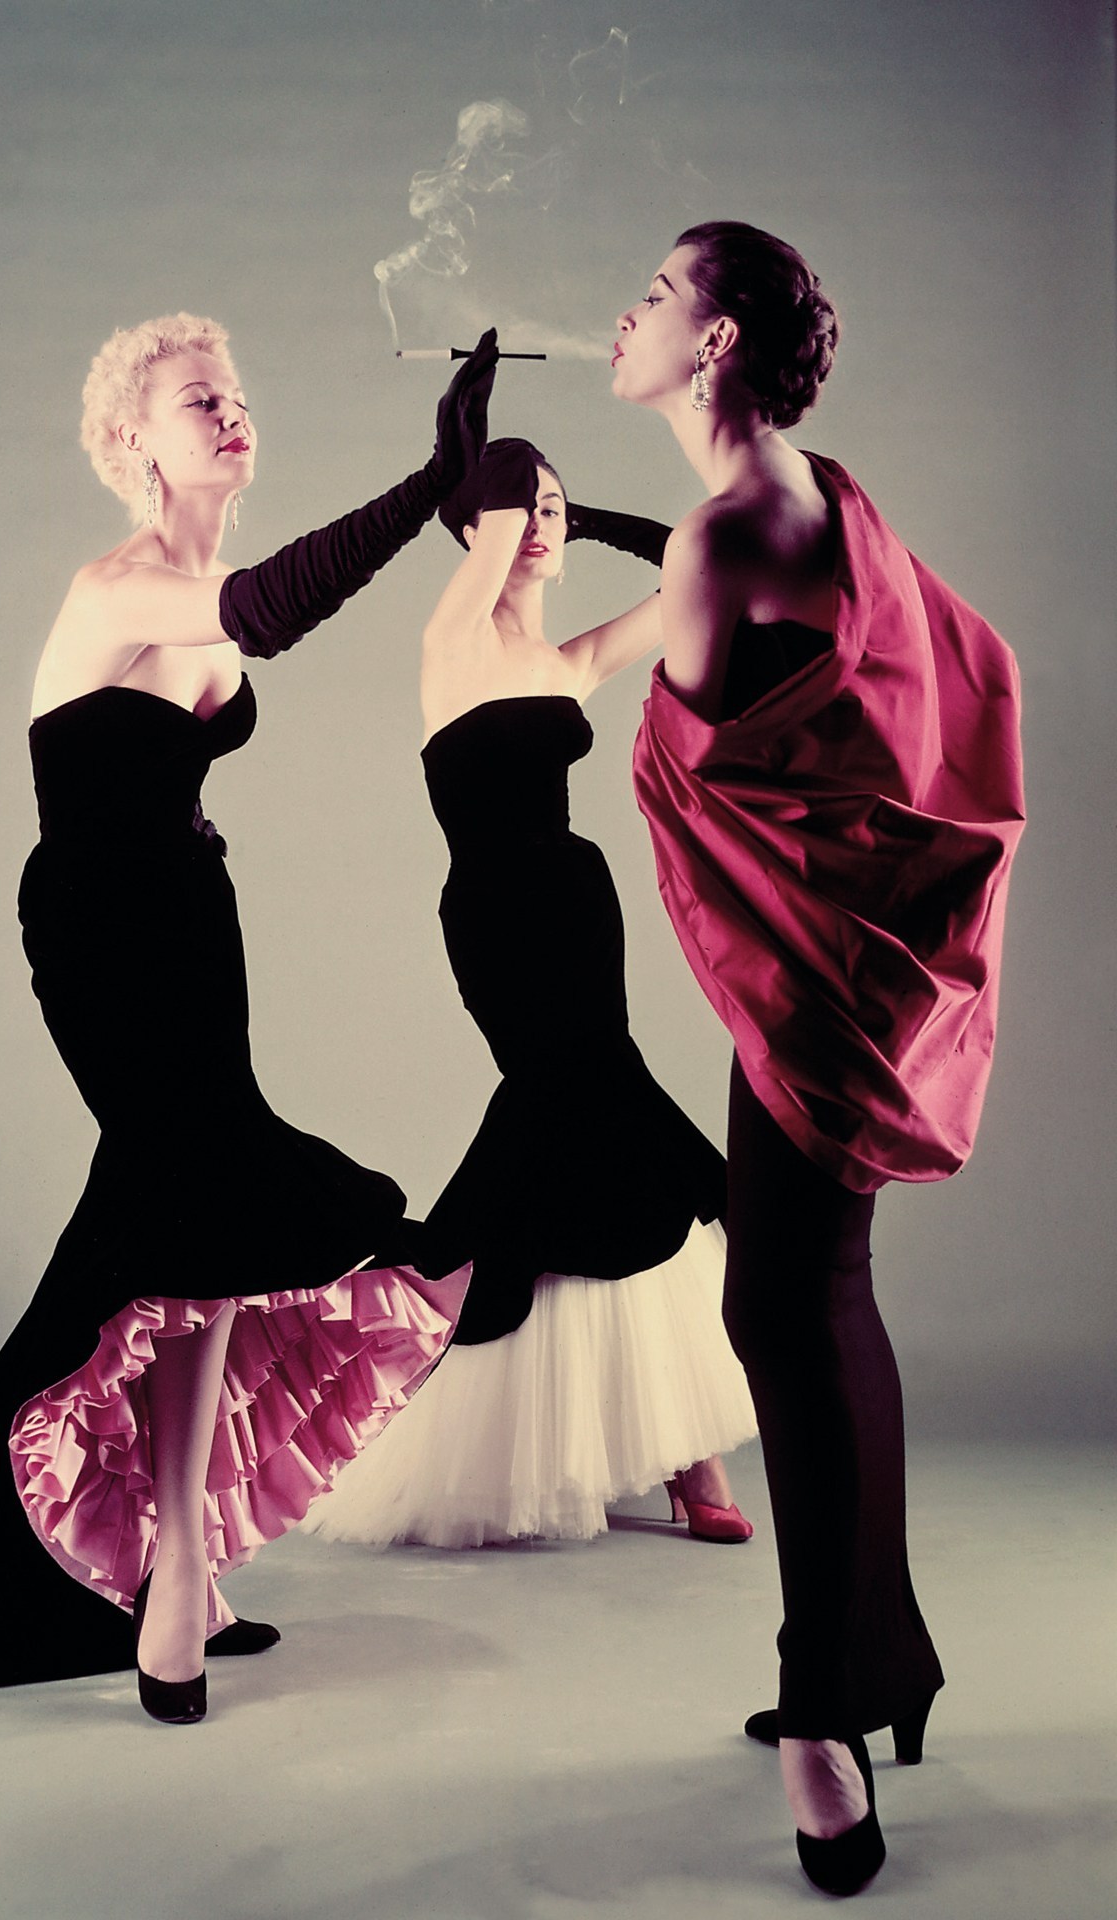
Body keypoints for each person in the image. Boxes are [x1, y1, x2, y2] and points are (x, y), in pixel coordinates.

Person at [0, 314, 499, 1722]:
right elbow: (270, 607)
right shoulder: (120, 585)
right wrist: (421, 480)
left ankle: (179, 1570)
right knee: (181, 1195)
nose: (231, 411)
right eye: (200, 398)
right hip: (100, 924)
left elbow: (245, 628)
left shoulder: (190, 583)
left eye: (238, 393)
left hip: (194, 918)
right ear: (135, 441)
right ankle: (52, 1556)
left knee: (198, 1224)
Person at [614, 222, 1024, 1891]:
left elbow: (685, 712)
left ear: (712, 345)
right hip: (865, 973)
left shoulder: (723, 540)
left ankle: (821, 1724)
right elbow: (839, 663)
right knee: (815, 1299)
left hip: (807, 994)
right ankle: (861, 1666)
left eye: (653, 294)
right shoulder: (819, 488)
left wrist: (524, 597)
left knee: (784, 1307)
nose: (622, 315)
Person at [302, 439, 756, 1551]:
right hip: (500, 917)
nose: (543, 524)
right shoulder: (450, 639)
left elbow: (696, 578)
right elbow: (495, 513)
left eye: (556, 509)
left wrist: (583, 512)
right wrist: (500, 474)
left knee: (588, 1138)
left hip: (573, 899)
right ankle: (682, 1453)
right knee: (596, 1119)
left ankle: (663, 1442)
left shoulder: (567, 659)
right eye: (525, 509)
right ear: (476, 529)